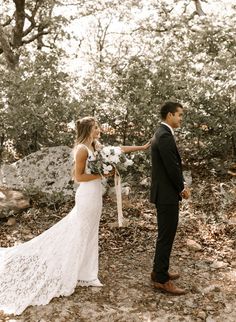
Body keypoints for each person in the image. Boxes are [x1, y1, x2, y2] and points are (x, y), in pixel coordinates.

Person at [0, 116, 150, 315]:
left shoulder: (95, 146)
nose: (100, 130)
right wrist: (102, 175)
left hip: (96, 194)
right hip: (87, 195)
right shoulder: (82, 149)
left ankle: (87, 273)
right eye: (96, 128)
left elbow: (118, 150)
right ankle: (74, 272)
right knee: (80, 232)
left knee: (90, 233)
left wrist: (141, 147)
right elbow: (78, 176)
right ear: (89, 129)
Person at [150, 102, 190, 295]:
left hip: (164, 193)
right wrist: (182, 188)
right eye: (179, 115)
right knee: (166, 236)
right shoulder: (164, 135)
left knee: (164, 235)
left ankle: (159, 271)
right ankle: (161, 279)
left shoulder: (160, 132)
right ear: (169, 115)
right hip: (166, 195)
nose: (181, 118)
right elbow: (171, 167)